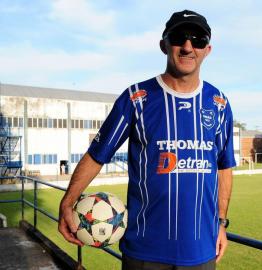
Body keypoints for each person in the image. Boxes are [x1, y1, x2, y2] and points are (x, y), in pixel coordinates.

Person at [58, 9, 236, 270]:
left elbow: (224, 167)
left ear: (207, 49)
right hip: (144, 252)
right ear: (164, 45)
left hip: (201, 250)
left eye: (197, 40)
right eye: (179, 37)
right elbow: (97, 155)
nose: (188, 47)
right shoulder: (136, 98)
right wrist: (67, 202)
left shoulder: (218, 103)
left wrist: (221, 223)